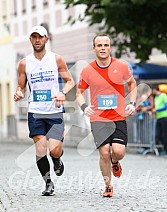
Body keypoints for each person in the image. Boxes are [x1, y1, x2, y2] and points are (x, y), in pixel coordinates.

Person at [14, 25, 74, 196]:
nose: (37, 40)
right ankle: (48, 183)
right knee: (40, 149)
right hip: (36, 111)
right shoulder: (24, 63)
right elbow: (21, 86)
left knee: (54, 149)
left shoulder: (56, 59)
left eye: (40, 37)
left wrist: (62, 93)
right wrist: (19, 92)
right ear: (30, 40)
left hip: (54, 111)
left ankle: (57, 159)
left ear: (46, 39)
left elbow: (70, 81)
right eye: (34, 37)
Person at [76, 33, 137, 197]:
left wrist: (132, 103)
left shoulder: (121, 66)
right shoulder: (88, 70)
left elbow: (132, 83)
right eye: (99, 45)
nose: (103, 48)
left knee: (118, 152)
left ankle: (115, 161)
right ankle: (108, 185)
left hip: (118, 117)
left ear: (110, 47)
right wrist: (84, 106)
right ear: (94, 48)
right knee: (104, 152)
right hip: (99, 119)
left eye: (106, 45)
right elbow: (79, 92)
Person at [152, 86, 167, 155]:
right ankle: (160, 149)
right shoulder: (156, 97)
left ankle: (165, 149)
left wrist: (157, 110)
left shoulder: (164, 95)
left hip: (164, 116)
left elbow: (165, 106)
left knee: (164, 134)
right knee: (158, 134)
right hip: (158, 117)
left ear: (155, 89)